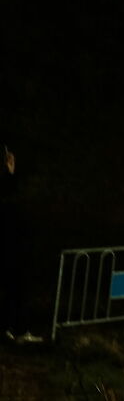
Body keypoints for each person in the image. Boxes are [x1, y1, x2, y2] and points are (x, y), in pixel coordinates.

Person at [0, 139, 37, 344]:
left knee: (14, 291)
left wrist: (10, 172)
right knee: (16, 291)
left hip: (16, 250)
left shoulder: (12, 204)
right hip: (12, 251)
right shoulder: (10, 208)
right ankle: (16, 329)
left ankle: (13, 328)